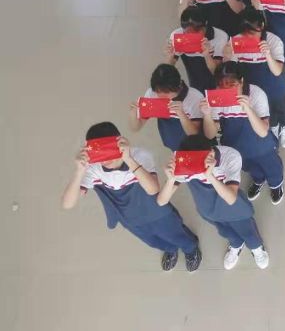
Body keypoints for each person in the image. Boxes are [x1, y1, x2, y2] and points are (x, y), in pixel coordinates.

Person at [61, 122, 201, 272]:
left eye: (108, 148)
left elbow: (153, 189)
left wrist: (128, 159)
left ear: (119, 142)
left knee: (175, 233)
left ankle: (191, 249)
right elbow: (67, 204)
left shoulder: (140, 156)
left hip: (156, 212)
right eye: (98, 151)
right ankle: (170, 249)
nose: (105, 159)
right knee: (152, 241)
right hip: (128, 218)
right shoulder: (93, 168)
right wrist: (79, 171)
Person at [156, 134, 270, 270]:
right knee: (225, 230)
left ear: (210, 152)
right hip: (207, 208)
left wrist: (209, 176)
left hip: (233, 207)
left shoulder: (230, 157)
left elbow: (231, 198)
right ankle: (236, 244)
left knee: (247, 229)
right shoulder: (184, 162)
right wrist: (170, 179)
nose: (194, 167)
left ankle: (256, 247)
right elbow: (161, 201)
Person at [199, 62, 285, 203]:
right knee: (249, 167)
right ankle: (259, 180)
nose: (226, 90)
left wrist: (248, 109)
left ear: (242, 81)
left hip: (261, 145)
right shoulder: (217, 98)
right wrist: (207, 115)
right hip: (235, 145)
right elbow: (210, 134)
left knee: (272, 167)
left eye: (232, 85)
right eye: (221, 86)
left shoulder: (256, 94)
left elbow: (263, 132)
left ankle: (276, 185)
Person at [226, 10, 285, 147]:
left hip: (274, 82)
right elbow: (232, 69)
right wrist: (228, 56)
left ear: (262, 26)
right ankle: (273, 125)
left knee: (281, 106)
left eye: (253, 32)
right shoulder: (236, 41)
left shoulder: (273, 40)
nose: (249, 37)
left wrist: (268, 54)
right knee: (265, 107)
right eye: (246, 33)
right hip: (253, 81)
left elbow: (277, 71)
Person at [128, 64, 203, 151]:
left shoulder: (195, 97)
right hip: (171, 144)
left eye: (166, 92)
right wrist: (133, 112)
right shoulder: (152, 94)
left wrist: (181, 114)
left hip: (195, 147)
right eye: (158, 92)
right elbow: (135, 127)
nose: (161, 96)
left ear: (178, 87)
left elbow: (194, 135)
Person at [166, 6, 227, 91]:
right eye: (188, 33)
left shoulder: (220, 36)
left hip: (216, 84)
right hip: (194, 83)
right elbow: (168, 69)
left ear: (205, 25)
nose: (192, 36)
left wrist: (207, 55)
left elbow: (216, 73)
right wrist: (170, 56)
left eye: (196, 32)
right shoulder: (177, 35)